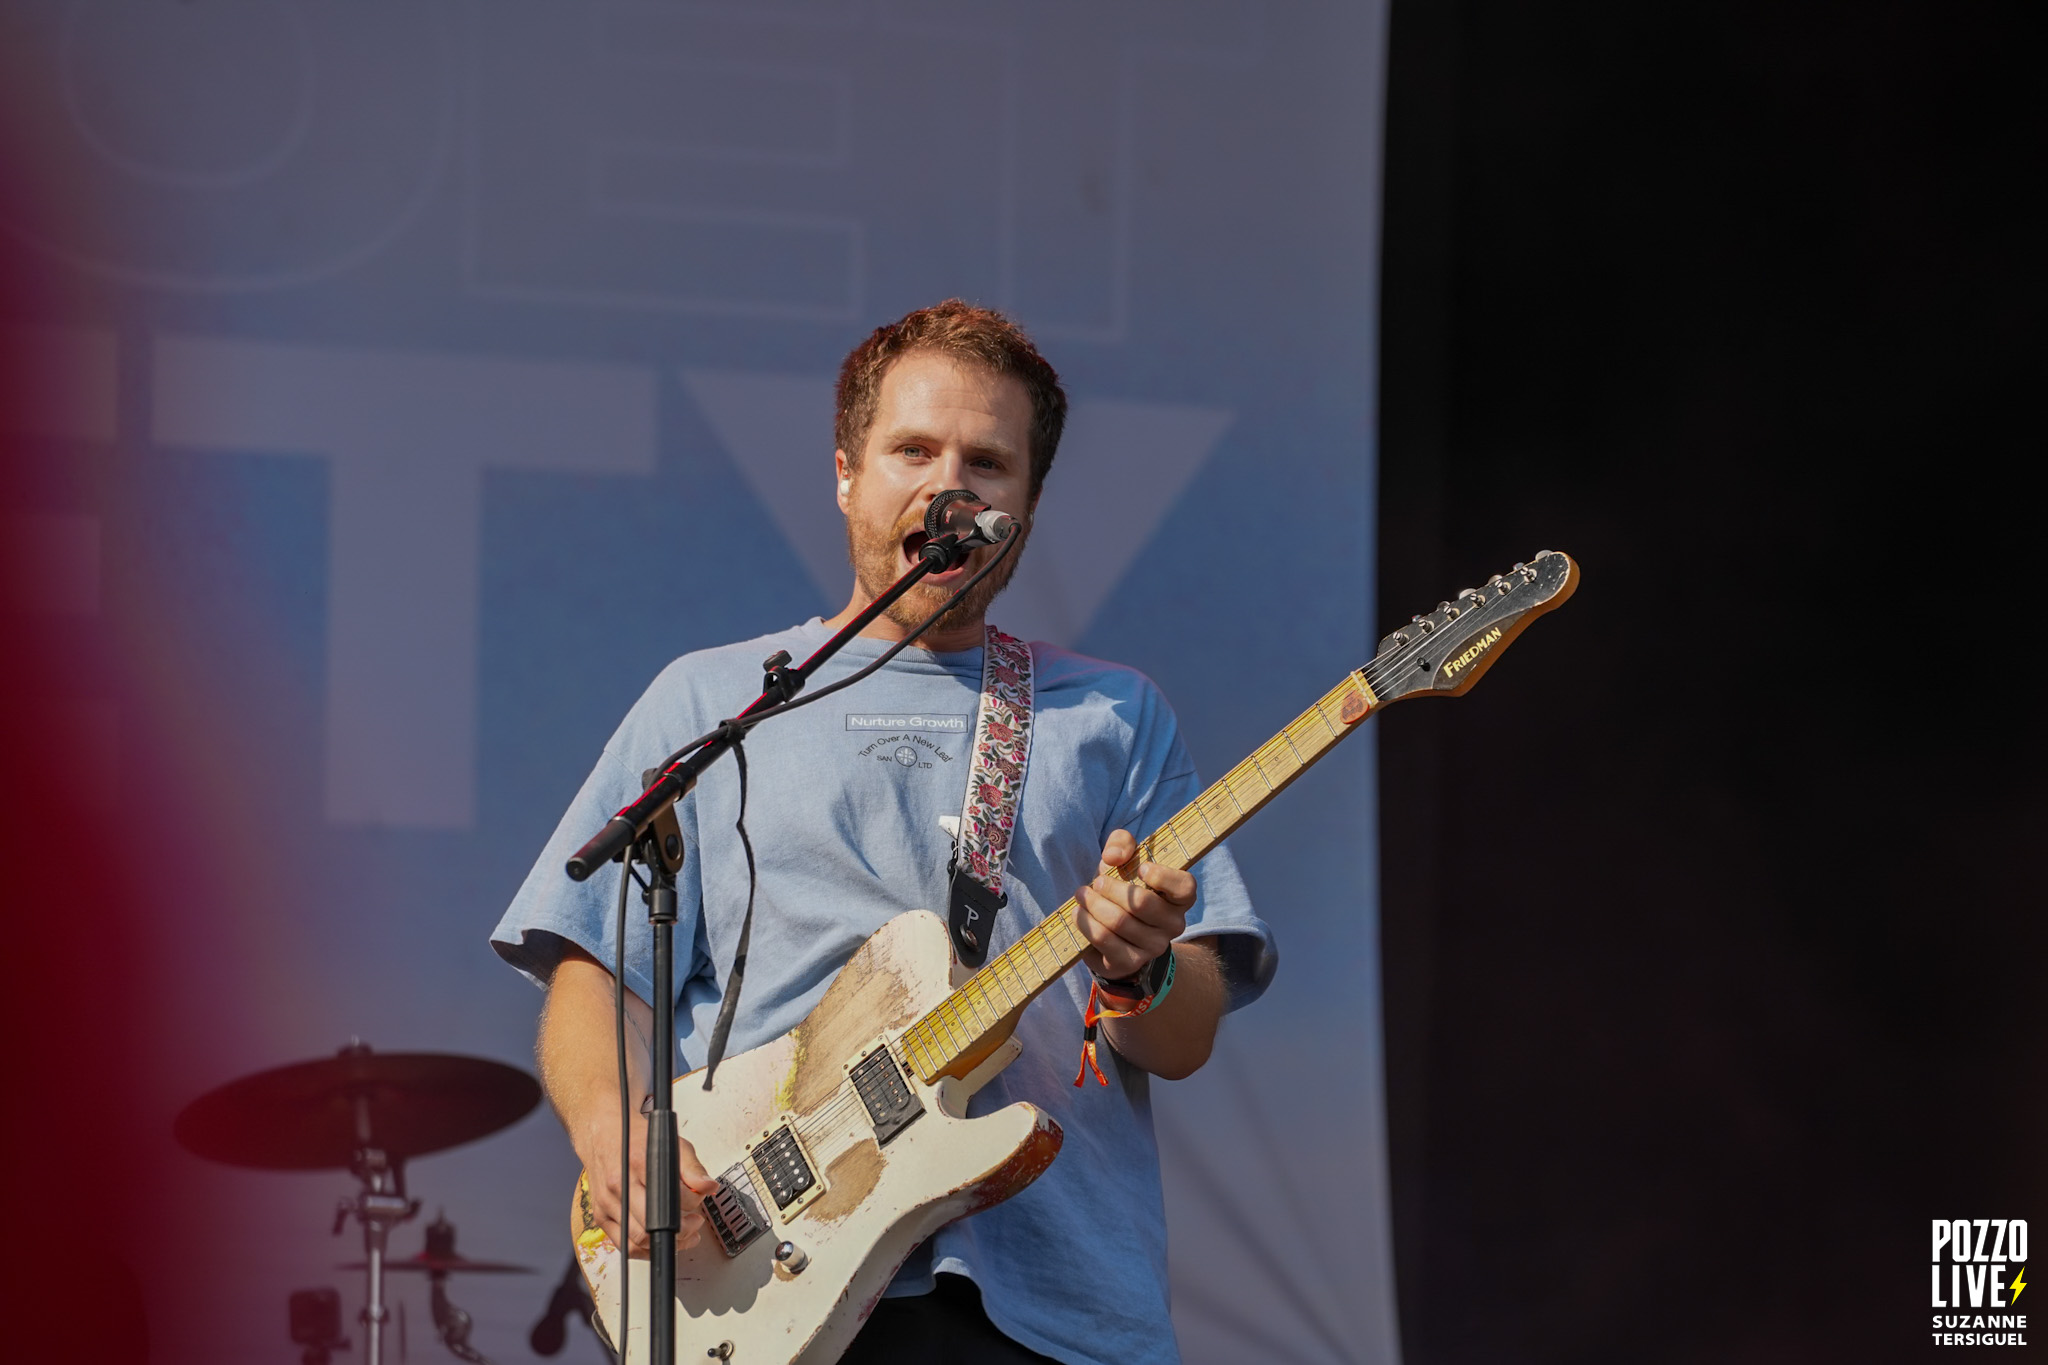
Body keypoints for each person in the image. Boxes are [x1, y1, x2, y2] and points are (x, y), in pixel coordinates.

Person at [491, 300, 1275, 1365]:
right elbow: (602, 973)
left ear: (1025, 509)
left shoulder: (1109, 715)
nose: (949, 484)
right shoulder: (708, 704)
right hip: (767, 1272)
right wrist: (612, 1131)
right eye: (912, 449)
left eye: (987, 464)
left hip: (1051, 1306)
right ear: (846, 474)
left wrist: (1138, 975)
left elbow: (1175, 1044)